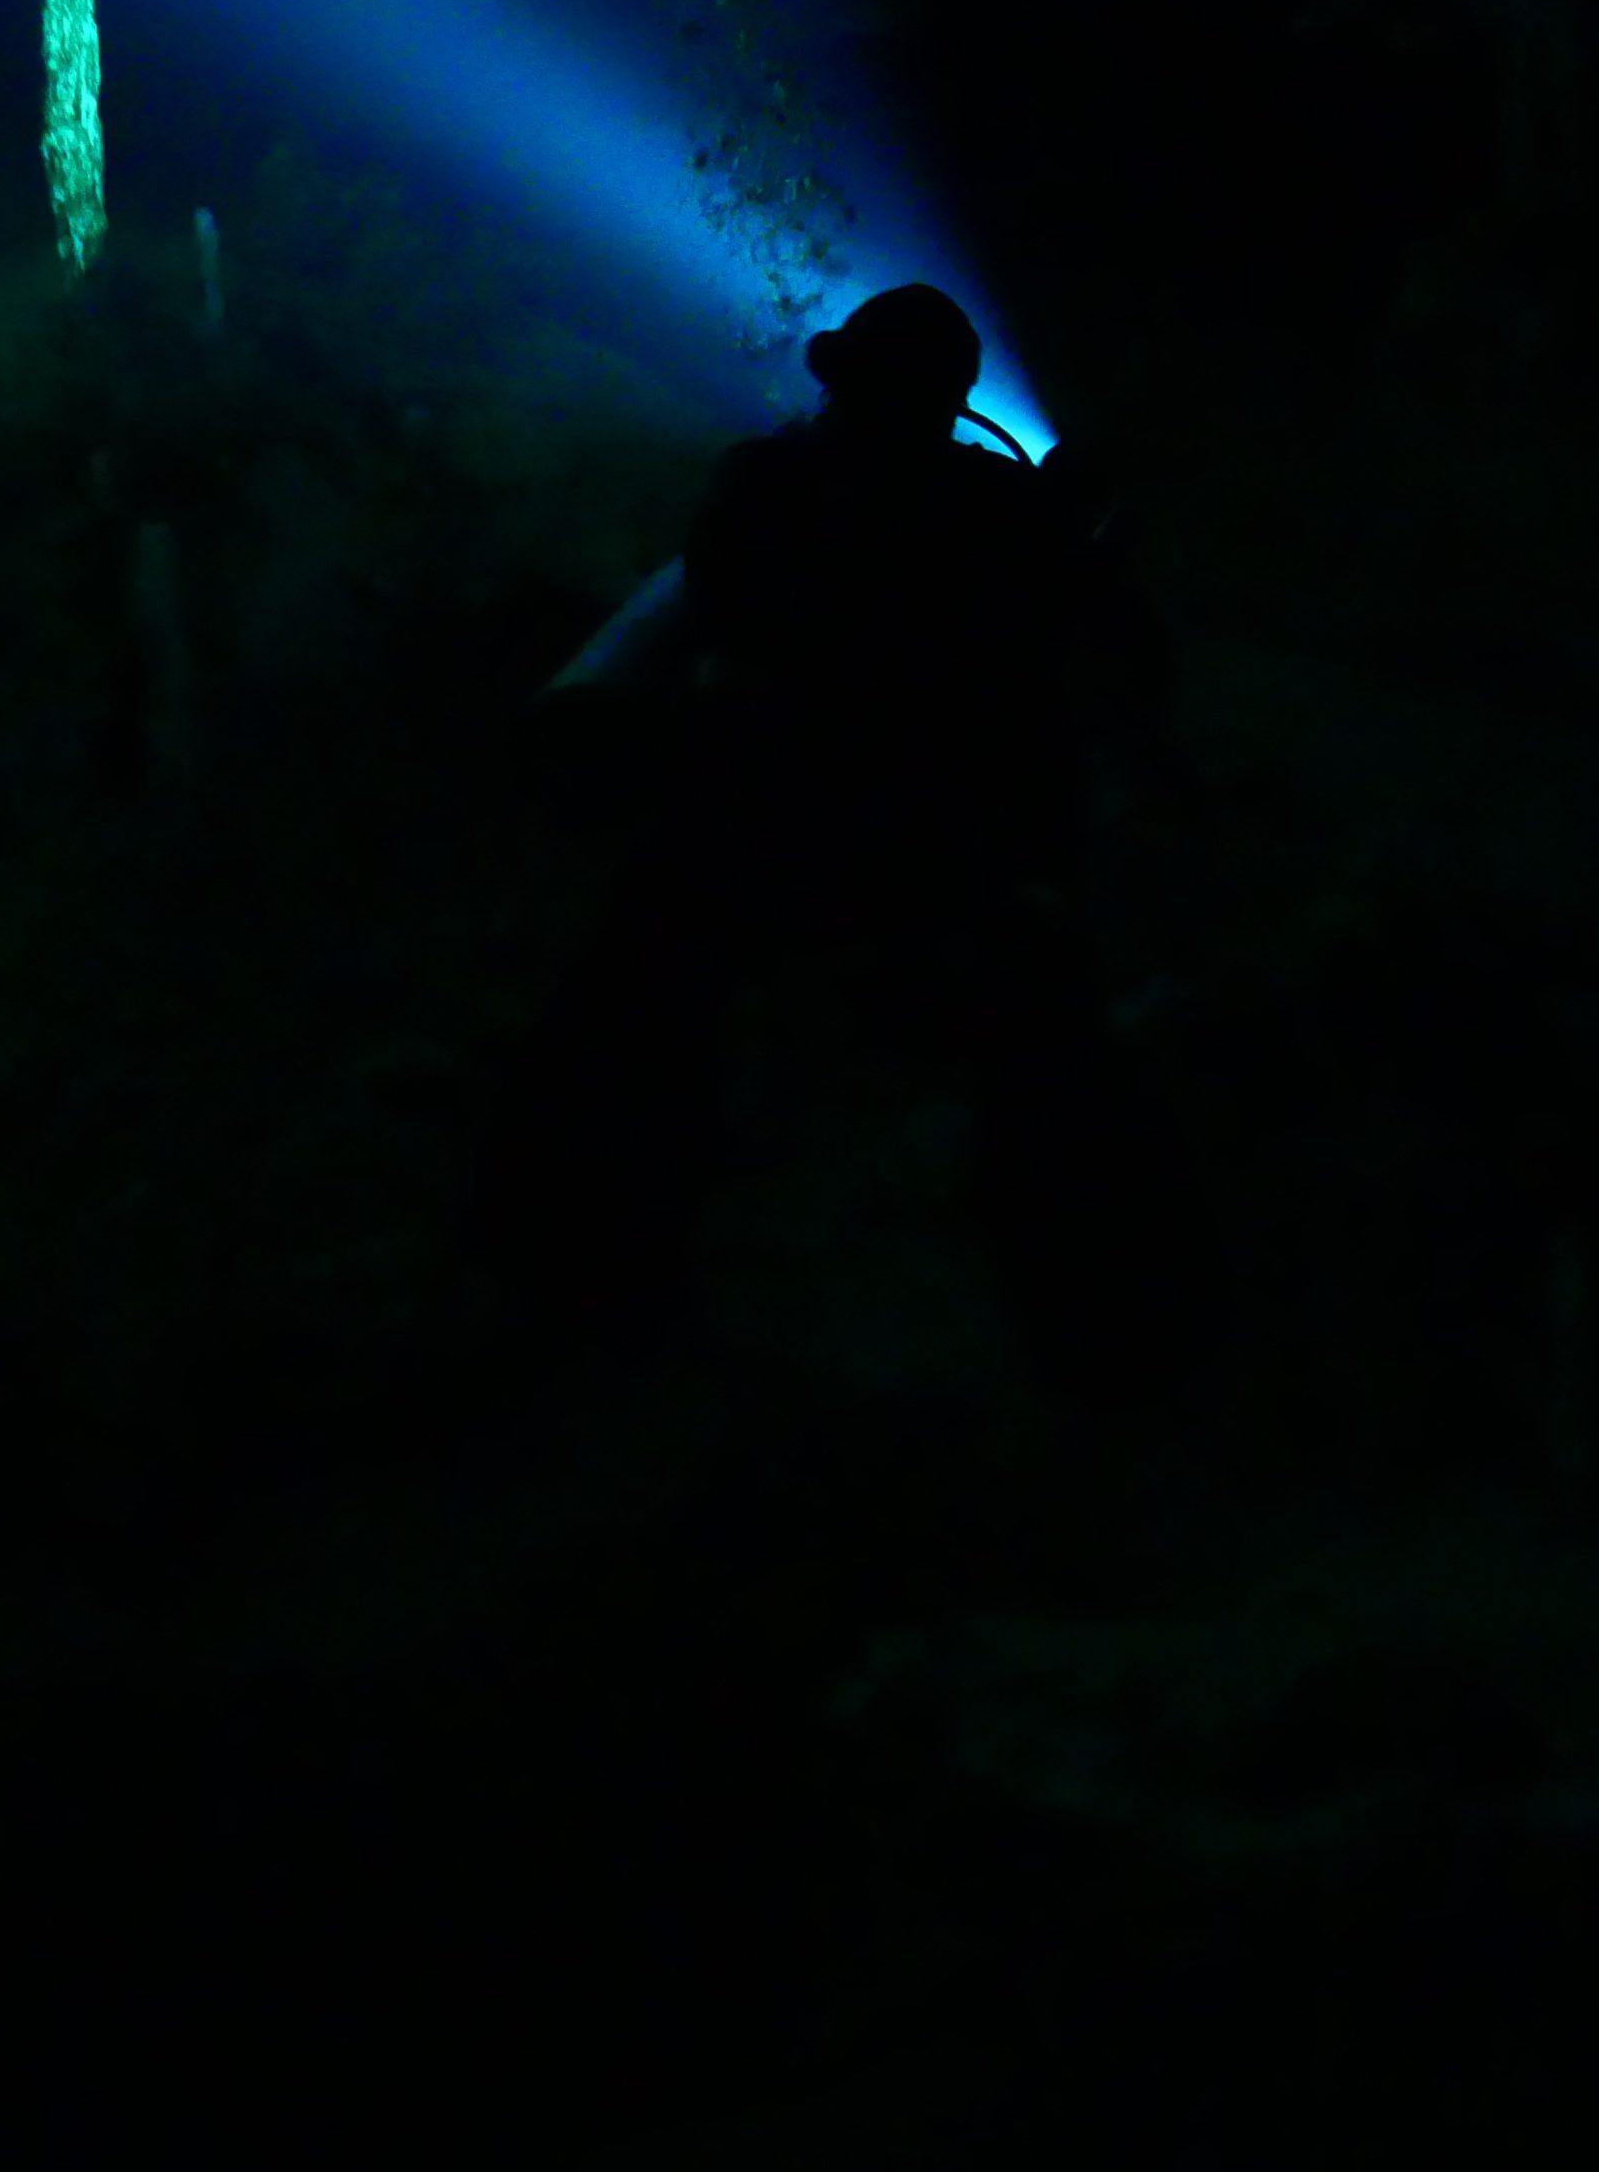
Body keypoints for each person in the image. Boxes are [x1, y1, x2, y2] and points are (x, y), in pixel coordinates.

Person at [482, 285, 1191, 1403]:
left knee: (631, 1007)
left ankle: (569, 1272)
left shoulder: (766, 485)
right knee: (1049, 1049)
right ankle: (1113, 1339)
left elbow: (720, 608)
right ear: (955, 399)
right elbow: (1127, 660)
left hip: (762, 824)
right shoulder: (1002, 509)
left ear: (841, 381)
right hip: (950, 844)